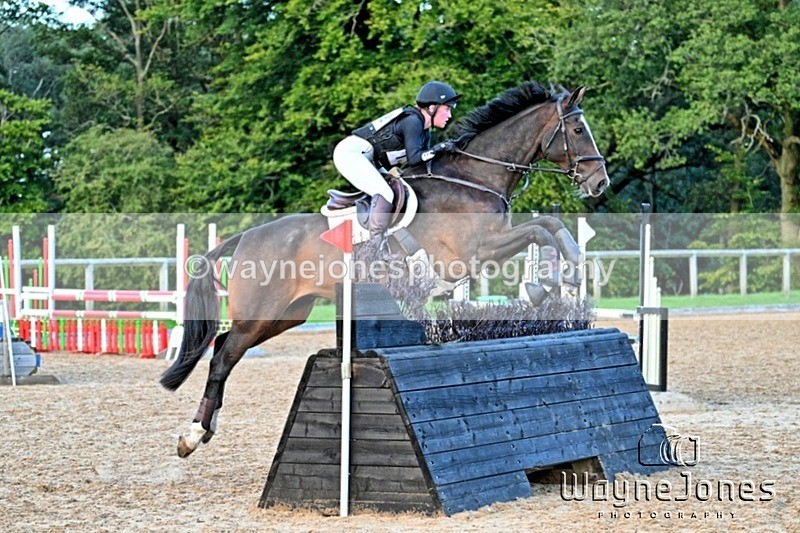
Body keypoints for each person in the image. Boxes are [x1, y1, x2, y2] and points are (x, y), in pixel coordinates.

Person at [333, 81, 461, 248]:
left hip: (370, 158)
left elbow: (421, 164)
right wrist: (440, 148)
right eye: (447, 109)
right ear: (432, 107)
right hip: (352, 154)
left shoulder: (424, 132)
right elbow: (415, 158)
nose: (450, 115)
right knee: (385, 192)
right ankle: (374, 248)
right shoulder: (412, 121)